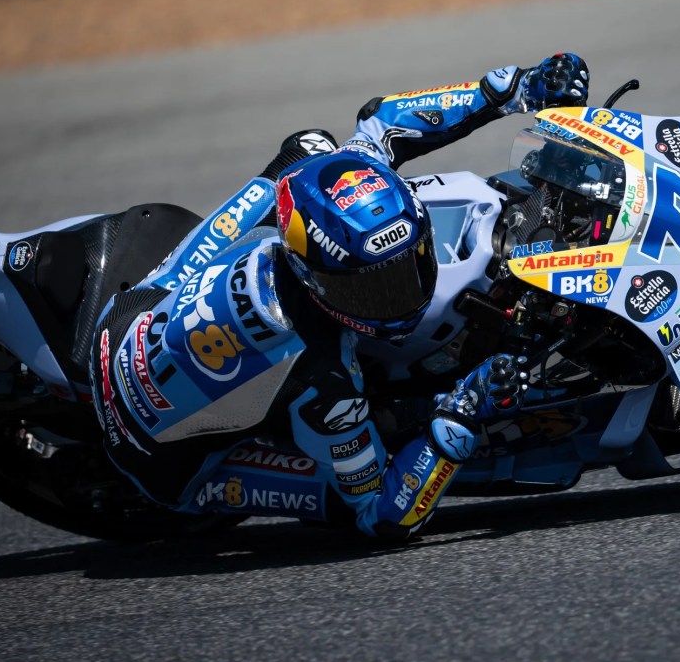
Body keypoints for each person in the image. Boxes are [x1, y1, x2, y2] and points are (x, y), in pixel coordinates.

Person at [90, 53, 590, 538]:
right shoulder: (325, 384)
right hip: (158, 458)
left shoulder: (343, 180)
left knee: (307, 152)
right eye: (372, 290)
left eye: (407, 267)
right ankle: (204, 489)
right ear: (317, 283)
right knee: (351, 484)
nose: (400, 296)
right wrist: (464, 405)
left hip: (128, 315)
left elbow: (384, 120)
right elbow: (385, 515)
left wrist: (517, 88)